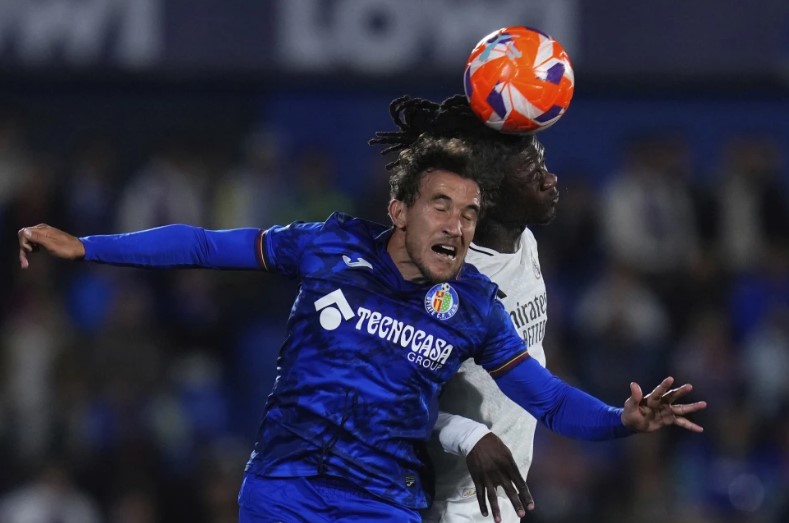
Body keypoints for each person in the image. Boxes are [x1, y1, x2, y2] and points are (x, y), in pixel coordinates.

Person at [18, 97, 706, 523]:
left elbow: (548, 399)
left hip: (380, 504)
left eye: (469, 214)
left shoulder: (474, 303)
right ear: (398, 210)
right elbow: (202, 244)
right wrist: (87, 245)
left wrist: (622, 419)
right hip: (283, 488)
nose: (457, 225)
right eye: (442, 206)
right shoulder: (329, 245)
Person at [370, 95, 559, 522]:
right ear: (487, 196)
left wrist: (618, 417)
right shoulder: (442, 284)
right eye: (532, 174)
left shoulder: (525, 241)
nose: (550, 179)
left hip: (497, 499)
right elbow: (384, 396)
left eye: (543, 165)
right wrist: (468, 434)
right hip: (443, 504)